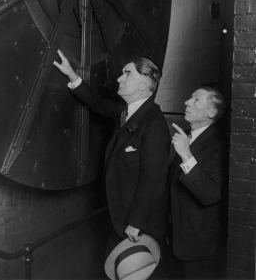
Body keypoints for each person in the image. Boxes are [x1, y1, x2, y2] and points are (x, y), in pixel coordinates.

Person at [54, 50, 171, 265]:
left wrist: (136, 222)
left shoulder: (154, 124)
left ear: (145, 84)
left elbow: (154, 181)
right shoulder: (126, 111)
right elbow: (97, 103)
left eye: (128, 74)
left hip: (138, 229)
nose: (119, 78)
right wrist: (72, 75)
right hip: (120, 220)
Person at [166, 87, 229, 279]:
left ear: (212, 112)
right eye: (190, 98)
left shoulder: (219, 143)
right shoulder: (187, 135)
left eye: (196, 100)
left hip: (200, 246)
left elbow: (210, 194)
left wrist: (186, 154)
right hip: (176, 238)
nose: (187, 102)